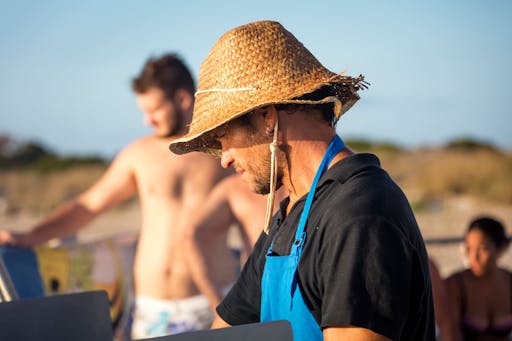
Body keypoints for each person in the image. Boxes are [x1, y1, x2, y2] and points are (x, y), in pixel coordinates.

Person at [169, 20, 435, 341]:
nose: (223, 157)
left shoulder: (359, 213)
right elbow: (227, 332)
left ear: (267, 117)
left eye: (224, 137)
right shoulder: (286, 219)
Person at [0, 53, 233, 338]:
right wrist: (31, 237)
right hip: (154, 309)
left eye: (154, 109)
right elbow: (87, 206)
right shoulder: (138, 155)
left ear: (183, 100)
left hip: (215, 304)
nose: (147, 120)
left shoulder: (225, 150)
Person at [185, 173, 287, 311]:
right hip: (262, 296)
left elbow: (192, 235)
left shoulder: (234, 187)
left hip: (275, 293)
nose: (226, 160)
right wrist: (218, 306)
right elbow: (192, 235)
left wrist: (218, 306)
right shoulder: (233, 188)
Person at [445, 216, 512, 341]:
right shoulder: (456, 285)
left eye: (482, 248)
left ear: (501, 248)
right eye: (469, 249)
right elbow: (449, 333)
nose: (473, 256)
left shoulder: (509, 281)